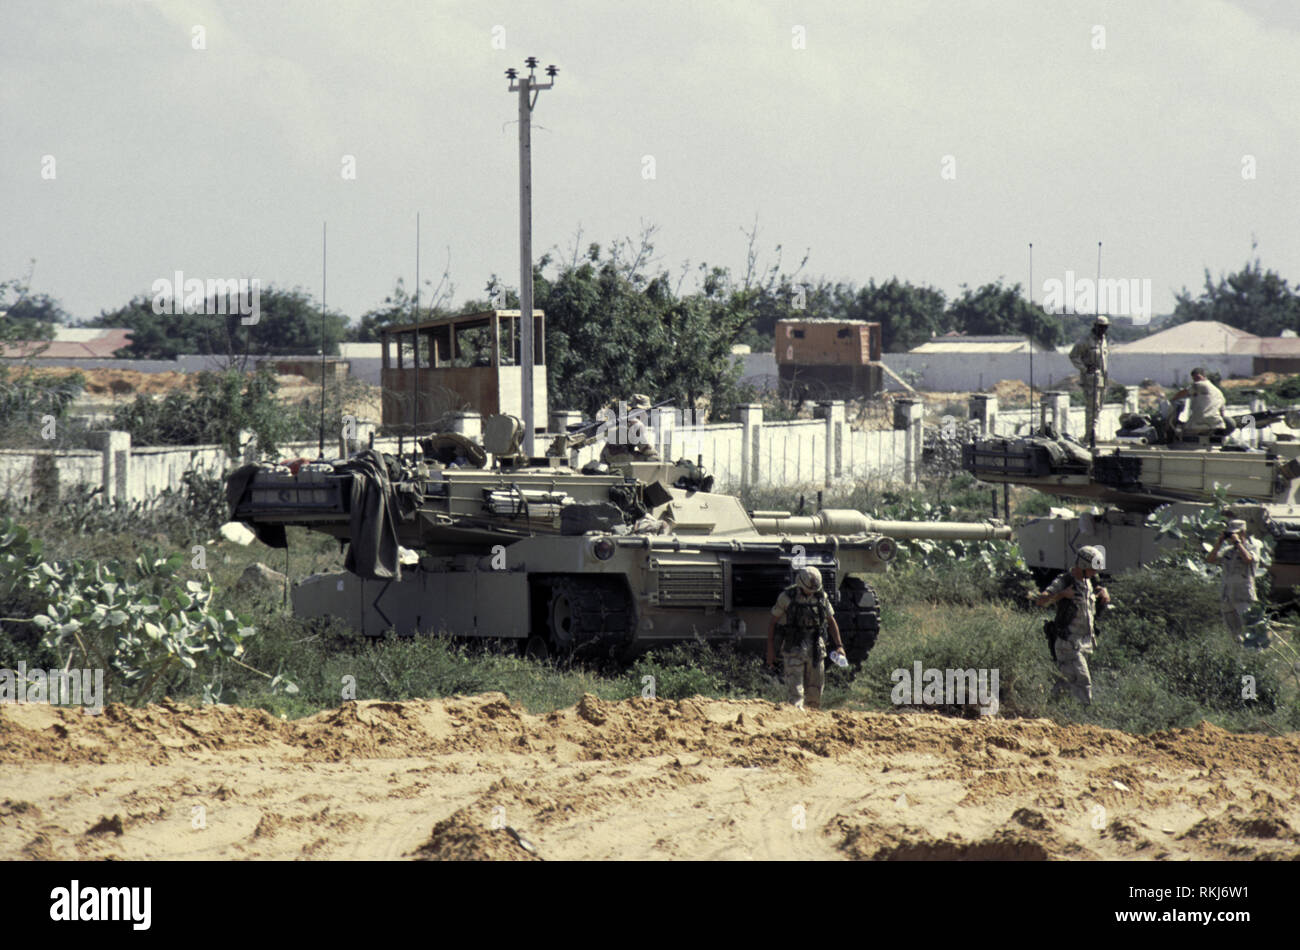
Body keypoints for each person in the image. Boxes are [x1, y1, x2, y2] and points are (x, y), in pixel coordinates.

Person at [1034, 545, 1111, 705]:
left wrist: (1103, 593)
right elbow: (1041, 601)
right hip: (1067, 643)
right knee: (1082, 681)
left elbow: (1097, 591)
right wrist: (1062, 594)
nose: (1095, 573)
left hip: (1083, 644)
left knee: (1065, 682)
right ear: (1083, 566)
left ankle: (1049, 710)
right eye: (1092, 569)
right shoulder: (1065, 581)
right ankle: (1083, 716)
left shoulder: (1089, 581)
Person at [766, 566, 845, 710]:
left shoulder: (821, 597)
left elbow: (831, 621)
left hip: (816, 647)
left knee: (815, 693)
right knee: (795, 693)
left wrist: (839, 645)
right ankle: (795, 722)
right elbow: (773, 623)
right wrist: (771, 650)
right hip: (793, 646)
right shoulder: (787, 598)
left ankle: (811, 723)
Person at [1206, 518, 1262, 644]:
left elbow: (1248, 559)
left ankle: (1254, 657)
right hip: (1228, 596)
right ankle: (1238, 657)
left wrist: (1238, 542)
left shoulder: (1253, 547)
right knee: (1233, 633)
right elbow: (1210, 559)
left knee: (1249, 630)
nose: (1232, 536)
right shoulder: (1228, 551)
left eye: (1235, 533)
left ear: (1243, 532)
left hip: (1243, 596)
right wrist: (1219, 542)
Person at [1069, 316, 1109, 448]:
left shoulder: (1103, 341)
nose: (1103, 330)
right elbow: (1073, 355)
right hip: (1091, 380)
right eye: (1101, 327)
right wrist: (1085, 368)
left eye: (1105, 327)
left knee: (1098, 407)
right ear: (1095, 326)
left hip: (1102, 380)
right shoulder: (1086, 340)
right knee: (1092, 407)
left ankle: (1092, 432)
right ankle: (1089, 436)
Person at [1172, 368, 1229, 437]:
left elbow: (1184, 392)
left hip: (1198, 423)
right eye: (1194, 379)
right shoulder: (1219, 393)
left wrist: (1172, 399)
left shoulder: (1200, 385)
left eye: (1198, 377)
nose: (1196, 380)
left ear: (1204, 376)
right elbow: (1222, 413)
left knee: (1178, 434)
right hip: (1217, 425)